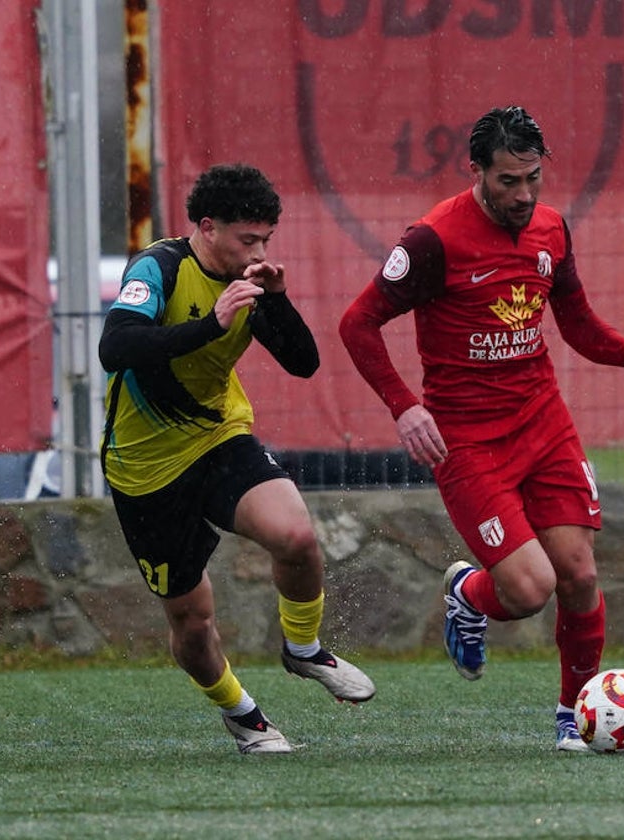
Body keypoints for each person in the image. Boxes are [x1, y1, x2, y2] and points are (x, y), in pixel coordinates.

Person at [339, 105, 624, 751]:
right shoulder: (433, 240)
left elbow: (577, 324)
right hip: (466, 441)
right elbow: (358, 322)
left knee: (577, 573)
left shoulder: (551, 229)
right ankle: (469, 591)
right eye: (507, 182)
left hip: (543, 423)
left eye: (533, 179)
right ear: (477, 172)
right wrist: (406, 406)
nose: (523, 196)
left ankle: (575, 712)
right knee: (528, 590)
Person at [99, 163, 376, 754]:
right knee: (194, 624)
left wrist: (275, 299)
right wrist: (211, 324)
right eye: (247, 240)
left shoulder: (249, 282)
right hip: (145, 467)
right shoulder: (161, 267)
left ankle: (303, 649)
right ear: (207, 227)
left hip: (219, 437)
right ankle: (242, 714)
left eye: (265, 241)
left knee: (297, 538)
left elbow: (303, 363)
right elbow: (115, 346)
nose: (257, 251)